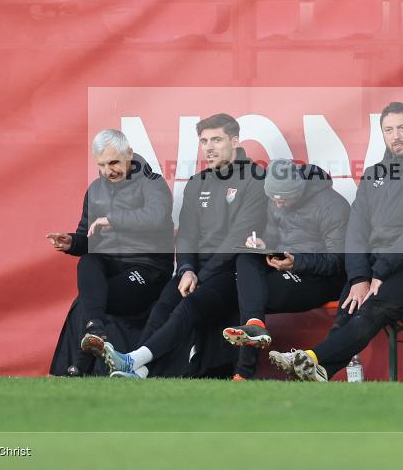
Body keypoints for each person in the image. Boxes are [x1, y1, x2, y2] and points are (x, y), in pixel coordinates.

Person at [268, 102, 403, 381]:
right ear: (382, 134)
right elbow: (356, 231)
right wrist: (359, 276)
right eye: (389, 130)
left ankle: (313, 358)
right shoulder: (374, 175)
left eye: (402, 128)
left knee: (375, 302)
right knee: (350, 305)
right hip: (376, 268)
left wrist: (380, 271)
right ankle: (319, 371)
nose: (396, 135)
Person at [82, 113, 268, 378]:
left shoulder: (256, 179)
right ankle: (140, 371)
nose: (209, 147)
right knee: (163, 306)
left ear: (235, 141)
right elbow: (187, 235)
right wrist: (187, 268)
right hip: (196, 272)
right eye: (204, 141)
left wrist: (199, 276)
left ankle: (131, 361)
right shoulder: (197, 183)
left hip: (233, 271)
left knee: (189, 306)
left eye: (216, 139)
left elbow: (237, 239)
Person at [46, 129, 174, 376]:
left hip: (149, 268)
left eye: (114, 162)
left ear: (129, 154)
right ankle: (95, 330)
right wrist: (72, 242)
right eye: (102, 165)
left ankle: (77, 367)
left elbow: (156, 218)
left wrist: (112, 220)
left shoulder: (153, 183)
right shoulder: (95, 190)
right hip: (111, 263)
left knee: (89, 300)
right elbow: (88, 237)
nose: (108, 170)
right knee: (88, 261)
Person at [223, 159, 349, 380]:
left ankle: (244, 371)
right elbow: (273, 235)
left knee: (250, 295)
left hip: (320, 278)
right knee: (245, 257)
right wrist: (265, 246)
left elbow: (337, 262)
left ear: (300, 189)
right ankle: (255, 325)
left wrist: (297, 262)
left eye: (285, 199)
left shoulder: (333, 206)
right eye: (274, 199)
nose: (278, 205)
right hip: (287, 265)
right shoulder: (275, 200)